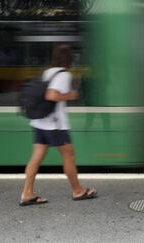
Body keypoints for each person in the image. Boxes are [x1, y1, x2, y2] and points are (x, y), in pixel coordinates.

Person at [20, 45, 97, 206]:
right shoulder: (64, 74)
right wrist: (71, 94)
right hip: (55, 125)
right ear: (69, 59)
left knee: (36, 158)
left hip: (40, 122)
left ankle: (27, 193)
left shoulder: (48, 72)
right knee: (69, 156)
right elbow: (52, 95)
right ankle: (78, 191)